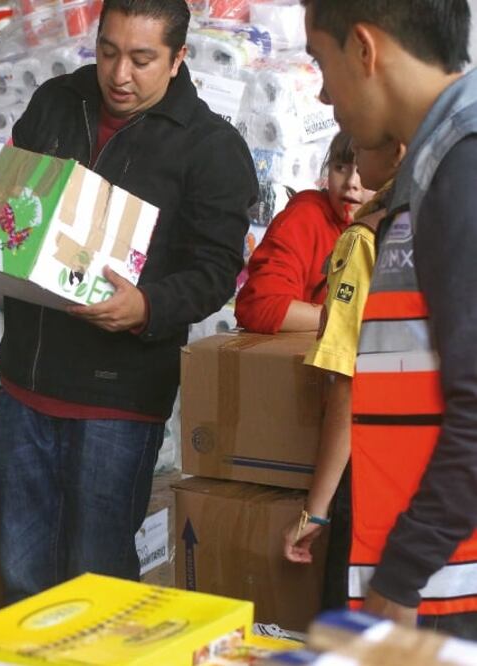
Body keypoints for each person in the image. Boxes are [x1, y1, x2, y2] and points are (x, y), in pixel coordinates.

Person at [0, 0, 257, 603]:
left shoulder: (210, 147)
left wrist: (148, 307)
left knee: (98, 578)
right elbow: (10, 206)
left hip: (119, 397)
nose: (119, 74)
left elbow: (216, 271)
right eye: (108, 52)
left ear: (178, 57)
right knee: (20, 573)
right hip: (25, 380)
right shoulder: (56, 103)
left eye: (142, 59)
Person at [303, 0, 477, 636]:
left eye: (322, 62)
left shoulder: (464, 165)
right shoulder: (433, 166)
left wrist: (405, 570)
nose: (324, 94)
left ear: (365, 52)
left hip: (449, 583)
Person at [281, 139, 405, 612]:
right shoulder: (444, 223)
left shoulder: (364, 239)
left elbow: (350, 383)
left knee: (355, 625)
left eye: (361, 147)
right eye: (340, 164)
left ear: (396, 150)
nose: (351, 175)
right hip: (439, 474)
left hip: (375, 474)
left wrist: (316, 510)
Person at [235, 131, 372, 333]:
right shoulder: (305, 218)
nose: (351, 182)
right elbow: (259, 306)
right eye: (340, 168)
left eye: (364, 169)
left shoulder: (401, 226)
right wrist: (353, 321)